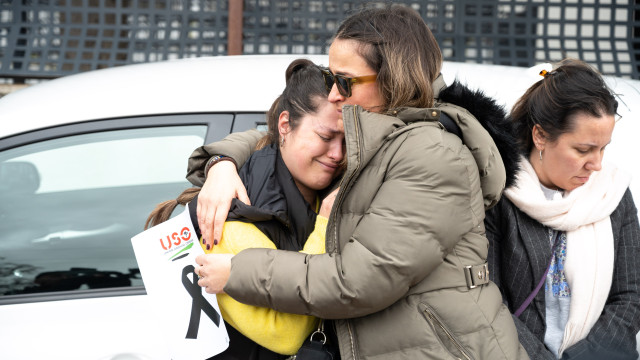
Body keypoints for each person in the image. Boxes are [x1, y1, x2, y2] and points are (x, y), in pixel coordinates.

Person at [190, 4, 529, 359]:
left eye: (344, 81)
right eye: (329, 77)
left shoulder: (431, 153)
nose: (334, 94)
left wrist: (238, 270)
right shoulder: (381, 141)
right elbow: (280, 137)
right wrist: (221, 163)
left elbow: (359, 281)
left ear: (391, 78)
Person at [146, 59, 344, 359]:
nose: (338, 154)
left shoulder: (321, 190)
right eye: (326, 137)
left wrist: (220, 161)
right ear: (284, 125)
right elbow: (286, 334)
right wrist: (326, 226)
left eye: (347, 140)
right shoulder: (227, 219)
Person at [485, 59, 640, 360]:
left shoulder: (612, 193)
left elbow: (630, 296)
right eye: (583, 150)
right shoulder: (498, 196)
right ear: (540, 136)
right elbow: (488, 298)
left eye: (603, 148)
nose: (596, 164)